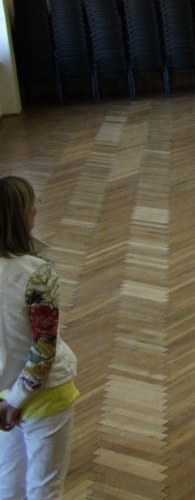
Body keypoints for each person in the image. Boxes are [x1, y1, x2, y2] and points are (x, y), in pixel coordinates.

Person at [0, 177, 79, 500]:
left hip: (5, 393)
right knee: (44, 488)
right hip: (45, 394)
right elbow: (44, 350)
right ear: (20, 216)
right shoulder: (38, 272)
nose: (36, 210)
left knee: (8, 484)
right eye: (33, 206)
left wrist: (8, 400)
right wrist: (16, 400)